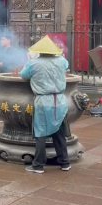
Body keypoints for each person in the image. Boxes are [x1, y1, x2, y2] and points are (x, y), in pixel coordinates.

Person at [20, 35, 71, 174]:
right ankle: (65, 163)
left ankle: (38, 165)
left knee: (40, 133)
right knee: (59, 133)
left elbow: (23, 75)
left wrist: (30, 60)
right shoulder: (62, 60)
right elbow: (66, 69)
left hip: (43, 101)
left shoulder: (34, 63)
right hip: (60, 101)